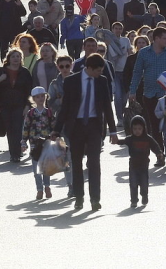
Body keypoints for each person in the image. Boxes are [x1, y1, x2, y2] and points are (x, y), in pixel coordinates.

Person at [52, 53, 119, 211]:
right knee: (76, 163)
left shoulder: (102, 82)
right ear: (88, 68)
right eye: (97, 71)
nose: (99, 74)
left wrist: (113, 131)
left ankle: (95, 199)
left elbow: (107, 107)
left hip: (94, 126)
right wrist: (56, 129)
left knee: (94, 163)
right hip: (76, 127)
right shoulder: (71, 81)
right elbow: (65, 108)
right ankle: (79, 197)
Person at [129, 26, 166, 153]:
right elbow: (137, 72)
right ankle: (160, 153)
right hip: (150, 95)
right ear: (156, 39)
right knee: (154, 125)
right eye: (164, 38)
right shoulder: (143, 53)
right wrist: (132, 91)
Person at [0, 48, 33, 163]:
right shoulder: (1, 71)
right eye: (13, 56)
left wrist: (27, 106)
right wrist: (0, 80)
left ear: (21, 59)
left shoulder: (24, 72)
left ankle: (17, 152)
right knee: (9, 129)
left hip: (20, 105)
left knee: (18, 128)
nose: (16, 59)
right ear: (8, 58)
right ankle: (13, 153)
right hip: (5, 105)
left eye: (18, 57)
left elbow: (29, 90)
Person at [121, 115, 163, 207]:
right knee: (133, 183)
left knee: (144, 182)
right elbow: (123, 141)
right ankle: (134, 200)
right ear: (131, 129)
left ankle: (144, 195)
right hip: (133, 165)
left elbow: (155, 146)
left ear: (144, 128)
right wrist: (116, 141)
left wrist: (159, 153)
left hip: (144, 165)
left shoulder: (148, 138)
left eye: (139, 129)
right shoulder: (130, 139)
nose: (137, 131)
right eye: (135, 128)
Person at [22, 86, 54, 200]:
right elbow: (26, 128)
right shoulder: (31, 114)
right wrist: (23, 142)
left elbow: (53, 127)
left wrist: (55, 138)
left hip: (46, 144)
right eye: (38, 97)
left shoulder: (49, 112)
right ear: (33, 99)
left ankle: (47, 186)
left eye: (42, 96)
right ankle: (39, 189)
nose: (41, 98)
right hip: (35, 145)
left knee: (46, 168)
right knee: (36, 169)